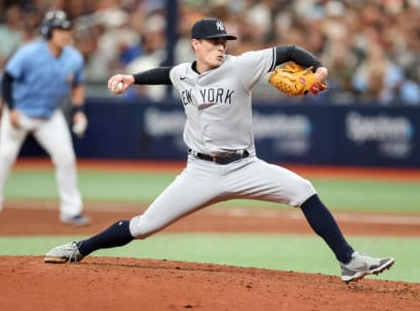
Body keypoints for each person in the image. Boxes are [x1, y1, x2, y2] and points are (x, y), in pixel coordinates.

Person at [44, 18, 394, 283]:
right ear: (195, 44)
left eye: (223, 41)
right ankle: (80, 248)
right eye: (213, 41)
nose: (221, 46)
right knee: (144, 226)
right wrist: (133, 78)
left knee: (303, 190)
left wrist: (317, 68)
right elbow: (167, 73)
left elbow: (286, 52)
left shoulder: (241, 66)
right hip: (200, 172)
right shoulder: (184, 72)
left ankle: (349, 261)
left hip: (246, 166)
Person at [0, 11, 90, 228]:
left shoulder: (73, 57)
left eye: (67, 29)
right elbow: (7, 81)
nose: (65, 34)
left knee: (66, 157)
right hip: (20, 111)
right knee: (4, 157)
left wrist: (78, 110)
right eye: (60, 30)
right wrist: (11, 109)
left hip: (49, 114)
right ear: (48, 32)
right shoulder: (29, 53)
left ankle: (71, 211)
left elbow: (78, 84)